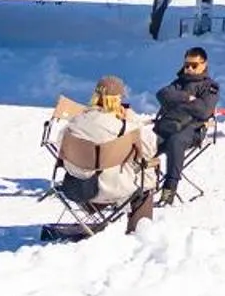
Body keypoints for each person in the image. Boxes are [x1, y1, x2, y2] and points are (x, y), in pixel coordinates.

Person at [63, 74, 159, 229]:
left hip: (75, 187)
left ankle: (91, 208)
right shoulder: (121, 127)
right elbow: (150, 147)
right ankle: (139, 229)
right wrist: (130, 120)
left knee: (103, 163)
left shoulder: (76, 121)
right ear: (116, 99)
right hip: (106, 191)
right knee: (147, 177)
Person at [153, 47, 220, 205]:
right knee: (144, 141)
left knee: (176, 141)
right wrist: (186, 97)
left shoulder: (210, 86)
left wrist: (178, 103)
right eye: (186, 65)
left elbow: (204, 111)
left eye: (194, 65)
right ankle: (138, 187)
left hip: (194, 129)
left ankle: (169, 190)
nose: (189, 68)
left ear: (204, 64)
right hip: (170, 124)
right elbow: (162, 94)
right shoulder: (179, 82)